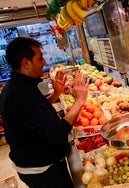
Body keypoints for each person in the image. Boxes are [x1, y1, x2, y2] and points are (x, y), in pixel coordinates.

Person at [0, 37, 89, 188]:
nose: (44, 63)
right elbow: (56, 133)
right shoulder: (22, 94)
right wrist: (79, 101)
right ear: (26, 63)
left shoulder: (16, 86)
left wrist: (56, 94)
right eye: (40, 58)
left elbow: (33, 116)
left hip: (32, 163)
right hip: (42, 170)